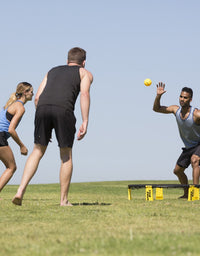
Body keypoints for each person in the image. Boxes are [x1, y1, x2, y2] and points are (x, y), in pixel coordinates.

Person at [12, 47, 93, 206]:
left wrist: (46, 122)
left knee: (37, 150)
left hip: (42, 109)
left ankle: (20, 190)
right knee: (66, 155)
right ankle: (63, 200)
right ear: (83, 62)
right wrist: (85, 120)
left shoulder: (52, 71)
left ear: (67, 60)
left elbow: (37, 99)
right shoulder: (85, 73)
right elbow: (84, 94)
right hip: (64, 110)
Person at [153, 82, 200, 198]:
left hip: (199, 144)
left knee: (195, 160)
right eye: (181, 96)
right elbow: (156, 109)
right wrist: (158, 95)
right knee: (177, 171)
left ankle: (195, 193)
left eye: (185, 97)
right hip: (189, 147)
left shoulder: (196, 114)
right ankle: (186, 194)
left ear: (190, 99)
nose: (182, 99)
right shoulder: (176, 110)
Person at [0, 82, 33, 198]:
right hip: (0, 136)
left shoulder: (11, 104)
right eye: (31, 92)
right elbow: (11, 130)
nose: (32, 95)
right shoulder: (20, 107)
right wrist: (22, 146)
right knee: (11, 167)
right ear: (25, 93)